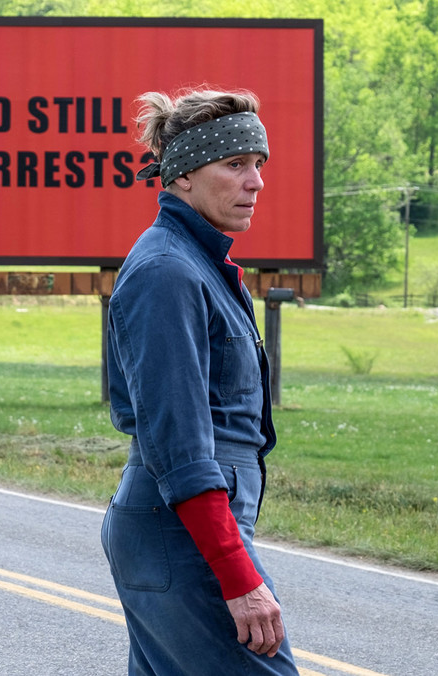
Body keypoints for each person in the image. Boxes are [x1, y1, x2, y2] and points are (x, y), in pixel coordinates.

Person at [100, 88, 300, 675]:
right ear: (182, 175)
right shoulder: (167, 272)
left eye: (258, 164)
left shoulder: (196, 264)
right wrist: (238, 576)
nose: (255, 182)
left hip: (182, 531)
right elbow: (181, 448)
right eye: (235, 164)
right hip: (182, 535)